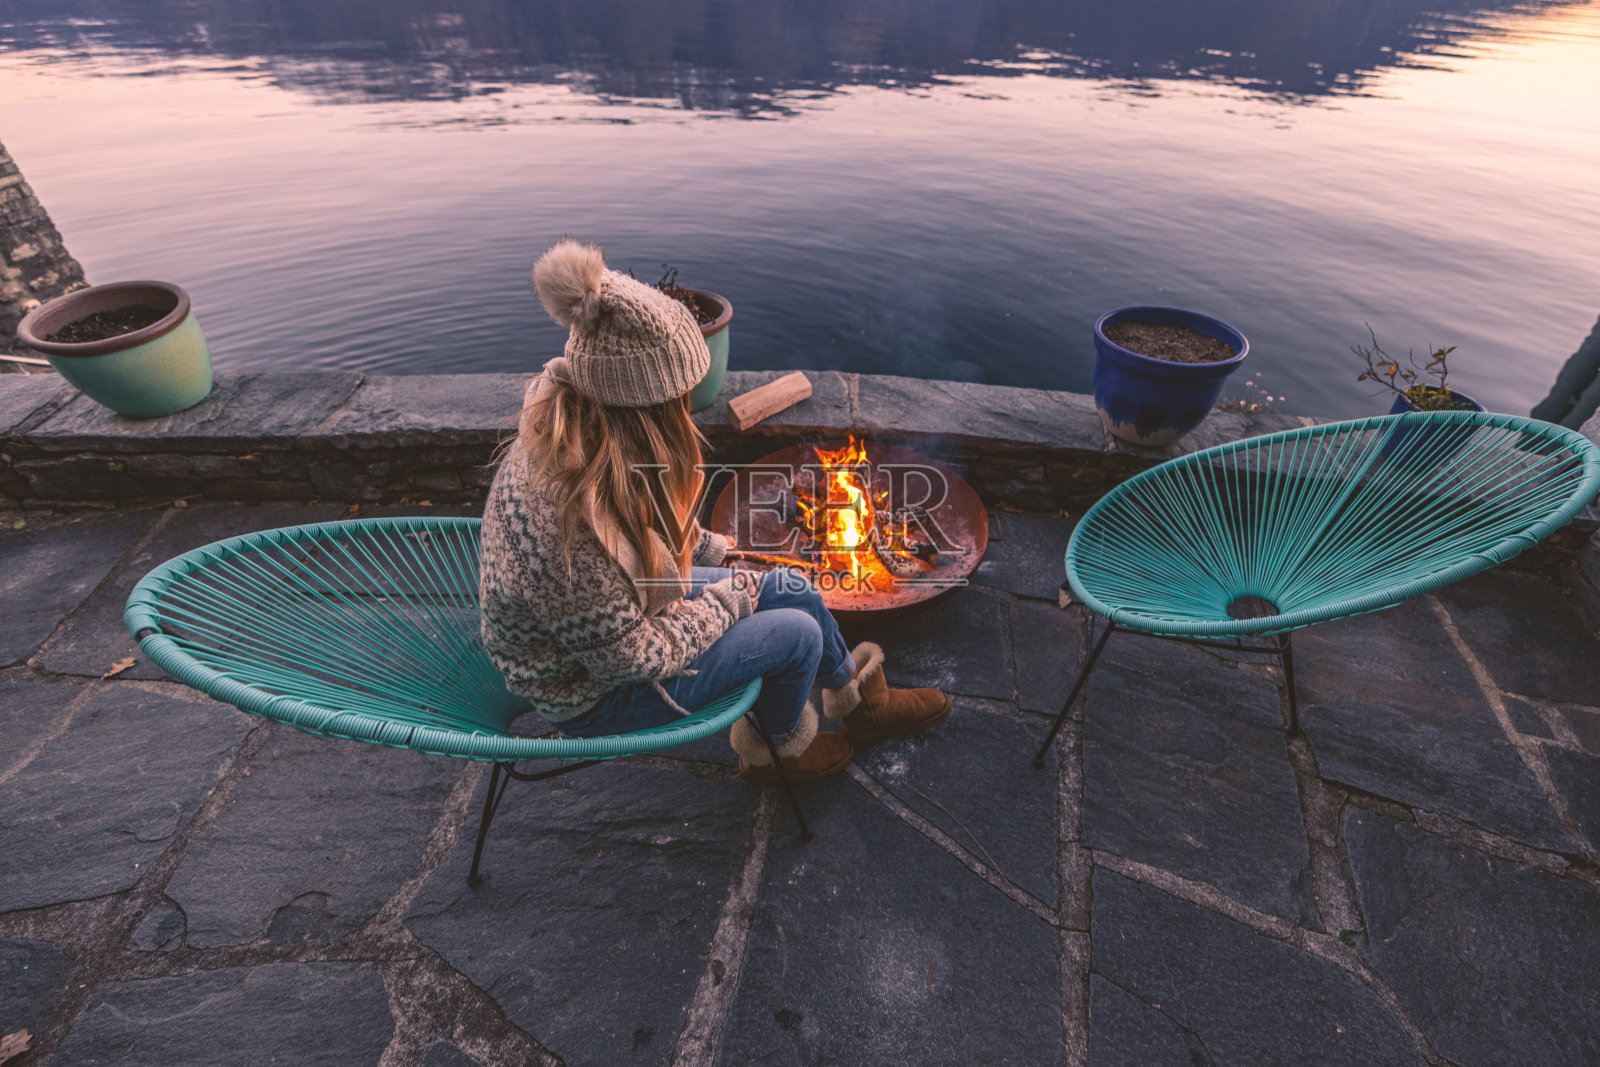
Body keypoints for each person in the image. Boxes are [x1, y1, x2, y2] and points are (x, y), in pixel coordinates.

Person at [478, 238, 949, 784]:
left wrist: (721, 553)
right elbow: (632, 659)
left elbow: (645, 521)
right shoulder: (569, 527)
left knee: (791, 587)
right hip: (595, 694)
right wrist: (730, 600)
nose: (690, 405)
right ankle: (777, 753)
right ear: (646, 404)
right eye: (682, 394)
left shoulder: (596, 431)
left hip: (619, 627)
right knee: (796, 633)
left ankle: (862, 703)